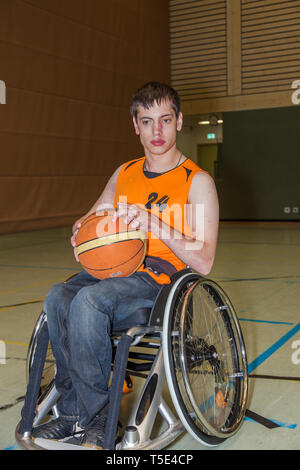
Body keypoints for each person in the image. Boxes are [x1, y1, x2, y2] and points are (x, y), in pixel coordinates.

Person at [31, 81, 219, 449]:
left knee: (88, 302)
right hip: (117, 271)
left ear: (180, 121)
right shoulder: (125, 173)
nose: (157, 131)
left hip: (162, 284)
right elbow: (92, 217)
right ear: (136, 125)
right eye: (147, 121)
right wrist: (80, 233)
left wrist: (157, 225)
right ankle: (70, 416)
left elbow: (205, 259)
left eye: (165, 120)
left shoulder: (196, 182)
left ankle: (100, 419)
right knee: (58, 297)